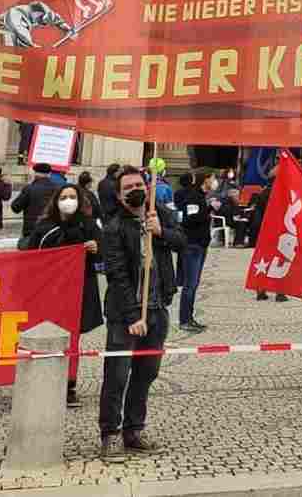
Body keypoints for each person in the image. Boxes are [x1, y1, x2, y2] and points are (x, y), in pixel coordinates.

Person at [99, 166, 185, 461]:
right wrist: (134, 315)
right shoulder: (112, 227)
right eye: (128, 188)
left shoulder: (158, 214)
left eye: (139, 184)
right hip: (127, 316)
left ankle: (134, 430)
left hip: (158, 308)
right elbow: (117, 274)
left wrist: (161, 232)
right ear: (120, 195)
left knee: (146, 374)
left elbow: (183, 242)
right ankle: (109, 434)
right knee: (117, 376)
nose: (135, 190)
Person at [22, 183, 103, 408]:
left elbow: (103, 255)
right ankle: (44, 381)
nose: (68, 200)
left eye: (72, 196)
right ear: (56, 201)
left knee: (73, 341)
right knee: (49, 335)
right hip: (51, 291)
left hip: (80, 290)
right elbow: (31, 257)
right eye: (64, 196)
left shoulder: (89, 225)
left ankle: (69, 385)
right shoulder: (45, 227)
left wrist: (97, 248)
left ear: (80, 201)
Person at [174, 172, 212, 332]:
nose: (214, 182)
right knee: (190, 285)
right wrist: (208, 210)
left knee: (194, 284)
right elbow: (190, 218)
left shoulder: (202, 196)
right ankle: (184, 320)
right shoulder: (193, 196)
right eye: (213, 178)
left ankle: (190, 317)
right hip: (192, 245)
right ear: (206, 180)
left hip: (201, 245)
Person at [12, 163, 59, 238]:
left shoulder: (29, 188)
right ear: (49, 174)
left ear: (35, 173)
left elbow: (15, 207)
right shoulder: (57, 189)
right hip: (51, 230)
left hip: (31, 230)